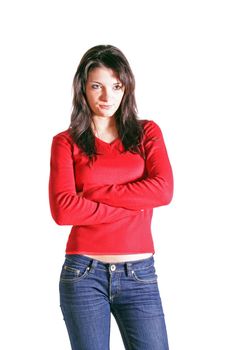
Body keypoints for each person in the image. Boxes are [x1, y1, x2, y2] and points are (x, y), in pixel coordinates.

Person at [49, 44, 173, 350]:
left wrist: (91, 195)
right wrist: (132, 207)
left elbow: (163, 189)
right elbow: (64, 211)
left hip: (140, 274)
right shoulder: (65, 143)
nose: (107, 97)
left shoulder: (147, 133)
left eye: (116, 86)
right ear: (83, 88)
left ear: (126, 87)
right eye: (97, 86)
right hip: (83, 275)